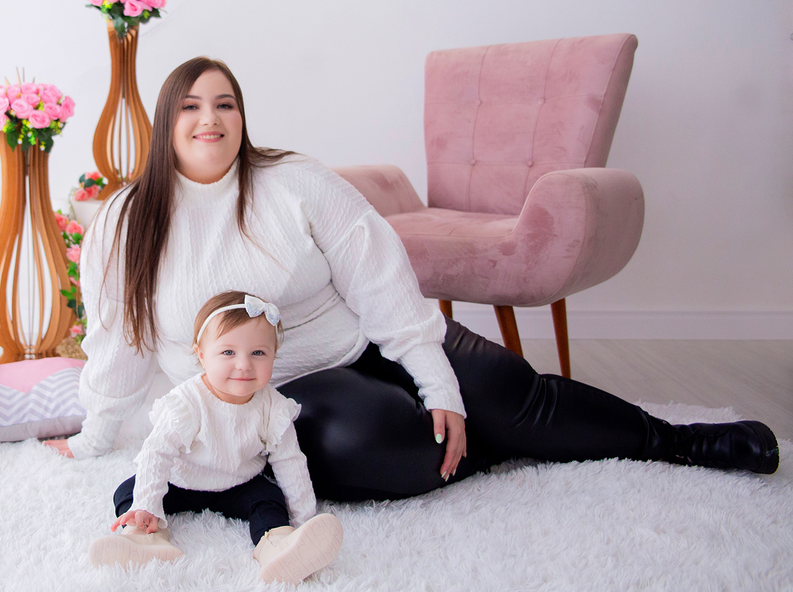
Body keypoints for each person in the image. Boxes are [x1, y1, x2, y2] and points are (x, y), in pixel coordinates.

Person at [46, 57, 778, 511]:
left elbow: (380, 277)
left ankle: (676, 441)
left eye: (225, 103)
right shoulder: (125, 221)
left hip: (370, 337)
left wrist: (439, 381)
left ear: (242, 117)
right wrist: (96, 432)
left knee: (512, 393)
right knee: (371, 441)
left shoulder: (293, 180)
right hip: (278, 386)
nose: (210, 119)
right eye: (191, 105)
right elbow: (119, 340)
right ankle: (486, 444)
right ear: (165, 122)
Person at [88, 290, 343, 585]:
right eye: (228, 353)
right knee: (130, 490)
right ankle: (144, 538)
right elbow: (156, 454)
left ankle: (279, 545)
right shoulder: (188, 403)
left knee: (269, 499)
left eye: (258, 353)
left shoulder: (273, 407)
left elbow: (291, 462)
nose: (244, 364)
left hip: (239, 483)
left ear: (274, 354)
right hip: (181, 481)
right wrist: (146, 503)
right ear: (201, 355)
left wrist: (304, 520)